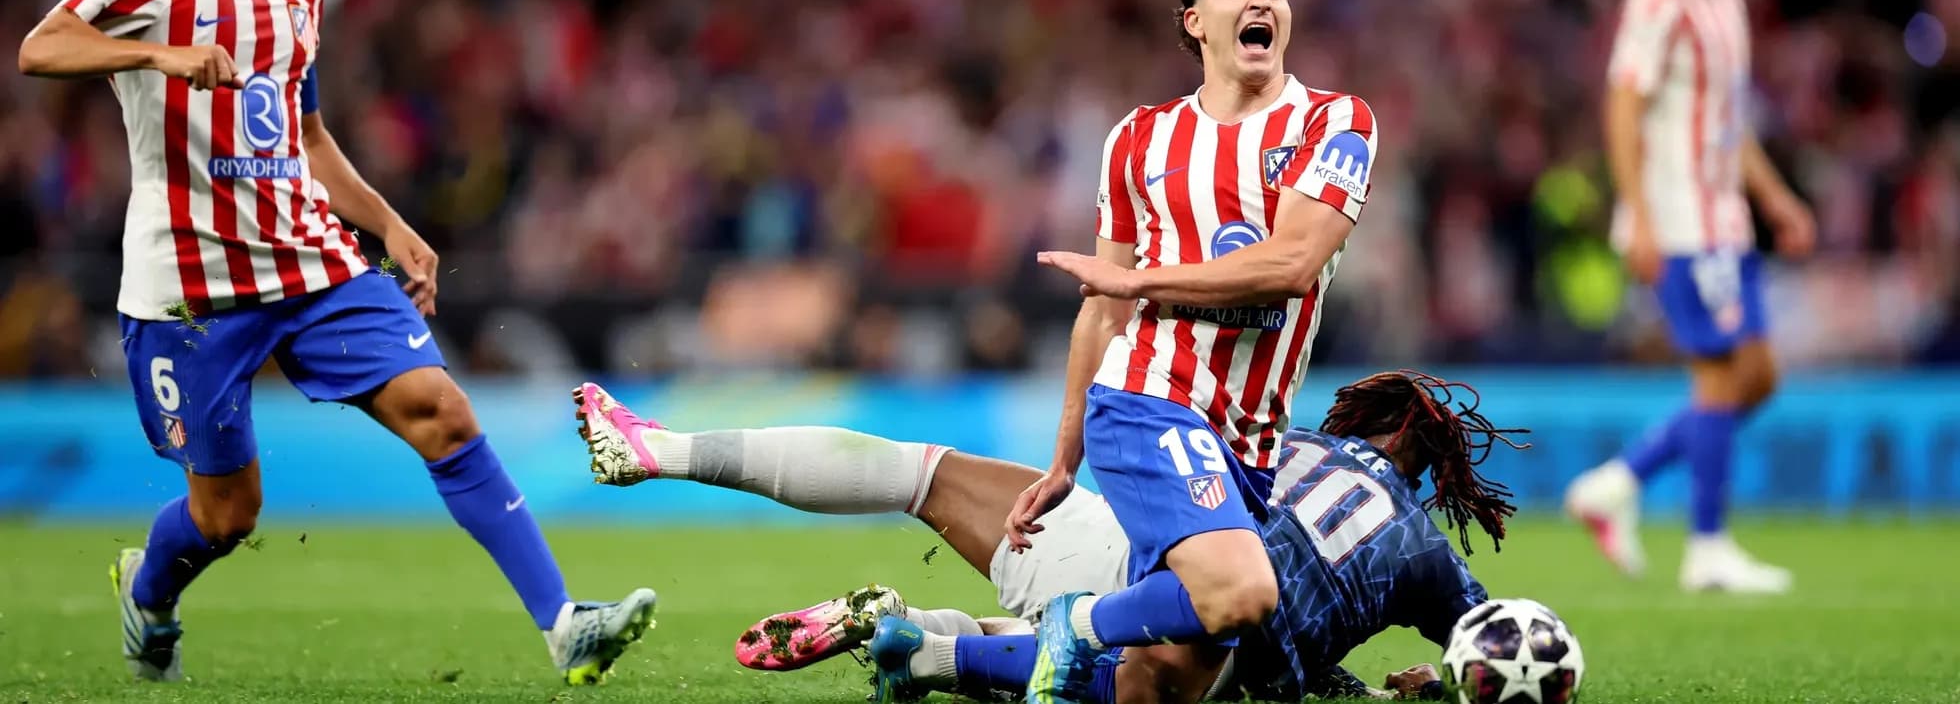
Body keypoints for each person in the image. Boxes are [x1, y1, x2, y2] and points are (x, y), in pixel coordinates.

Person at [16, 0, 654, 685]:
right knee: (228, 514)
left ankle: (564, 622)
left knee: (444, 412)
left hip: (310, 261)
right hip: (191, 288)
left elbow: (305, 134)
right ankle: (149, 590)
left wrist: (392, 226)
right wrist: (156, 53)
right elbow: (41, 47)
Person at [572, 373, 1512, 702]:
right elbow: (1495, 644)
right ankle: (928, 643)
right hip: (1194, 638)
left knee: (918, 470)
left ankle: (660, 446)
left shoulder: (1291, 441)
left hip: (1117, 537)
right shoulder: (1422, 545)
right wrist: (1429, 680)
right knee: (1122, 663)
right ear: (1427, 469)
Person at [1009, 0, 1380, 701]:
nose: (1261, 2)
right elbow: (1101, 313)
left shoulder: (1336, 123)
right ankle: (1071, 623)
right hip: (1145, 400)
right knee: (1245, 594)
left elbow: (1291, 262)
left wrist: (1141, 280)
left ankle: (928, 655)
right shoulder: (1138, 140)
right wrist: (1064, 458)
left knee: (1159, 680)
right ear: (1196, 20)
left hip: (1248, 444)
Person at [1565, 0, 1816, 594]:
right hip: (1679, 220)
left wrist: (1775, 198)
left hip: (1727, 219)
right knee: (1717, 378)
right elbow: (1623, 104)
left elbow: (1729, 122)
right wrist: (1639, 213)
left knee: (1757, 376)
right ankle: (1708, 547)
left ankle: (1616, 482)